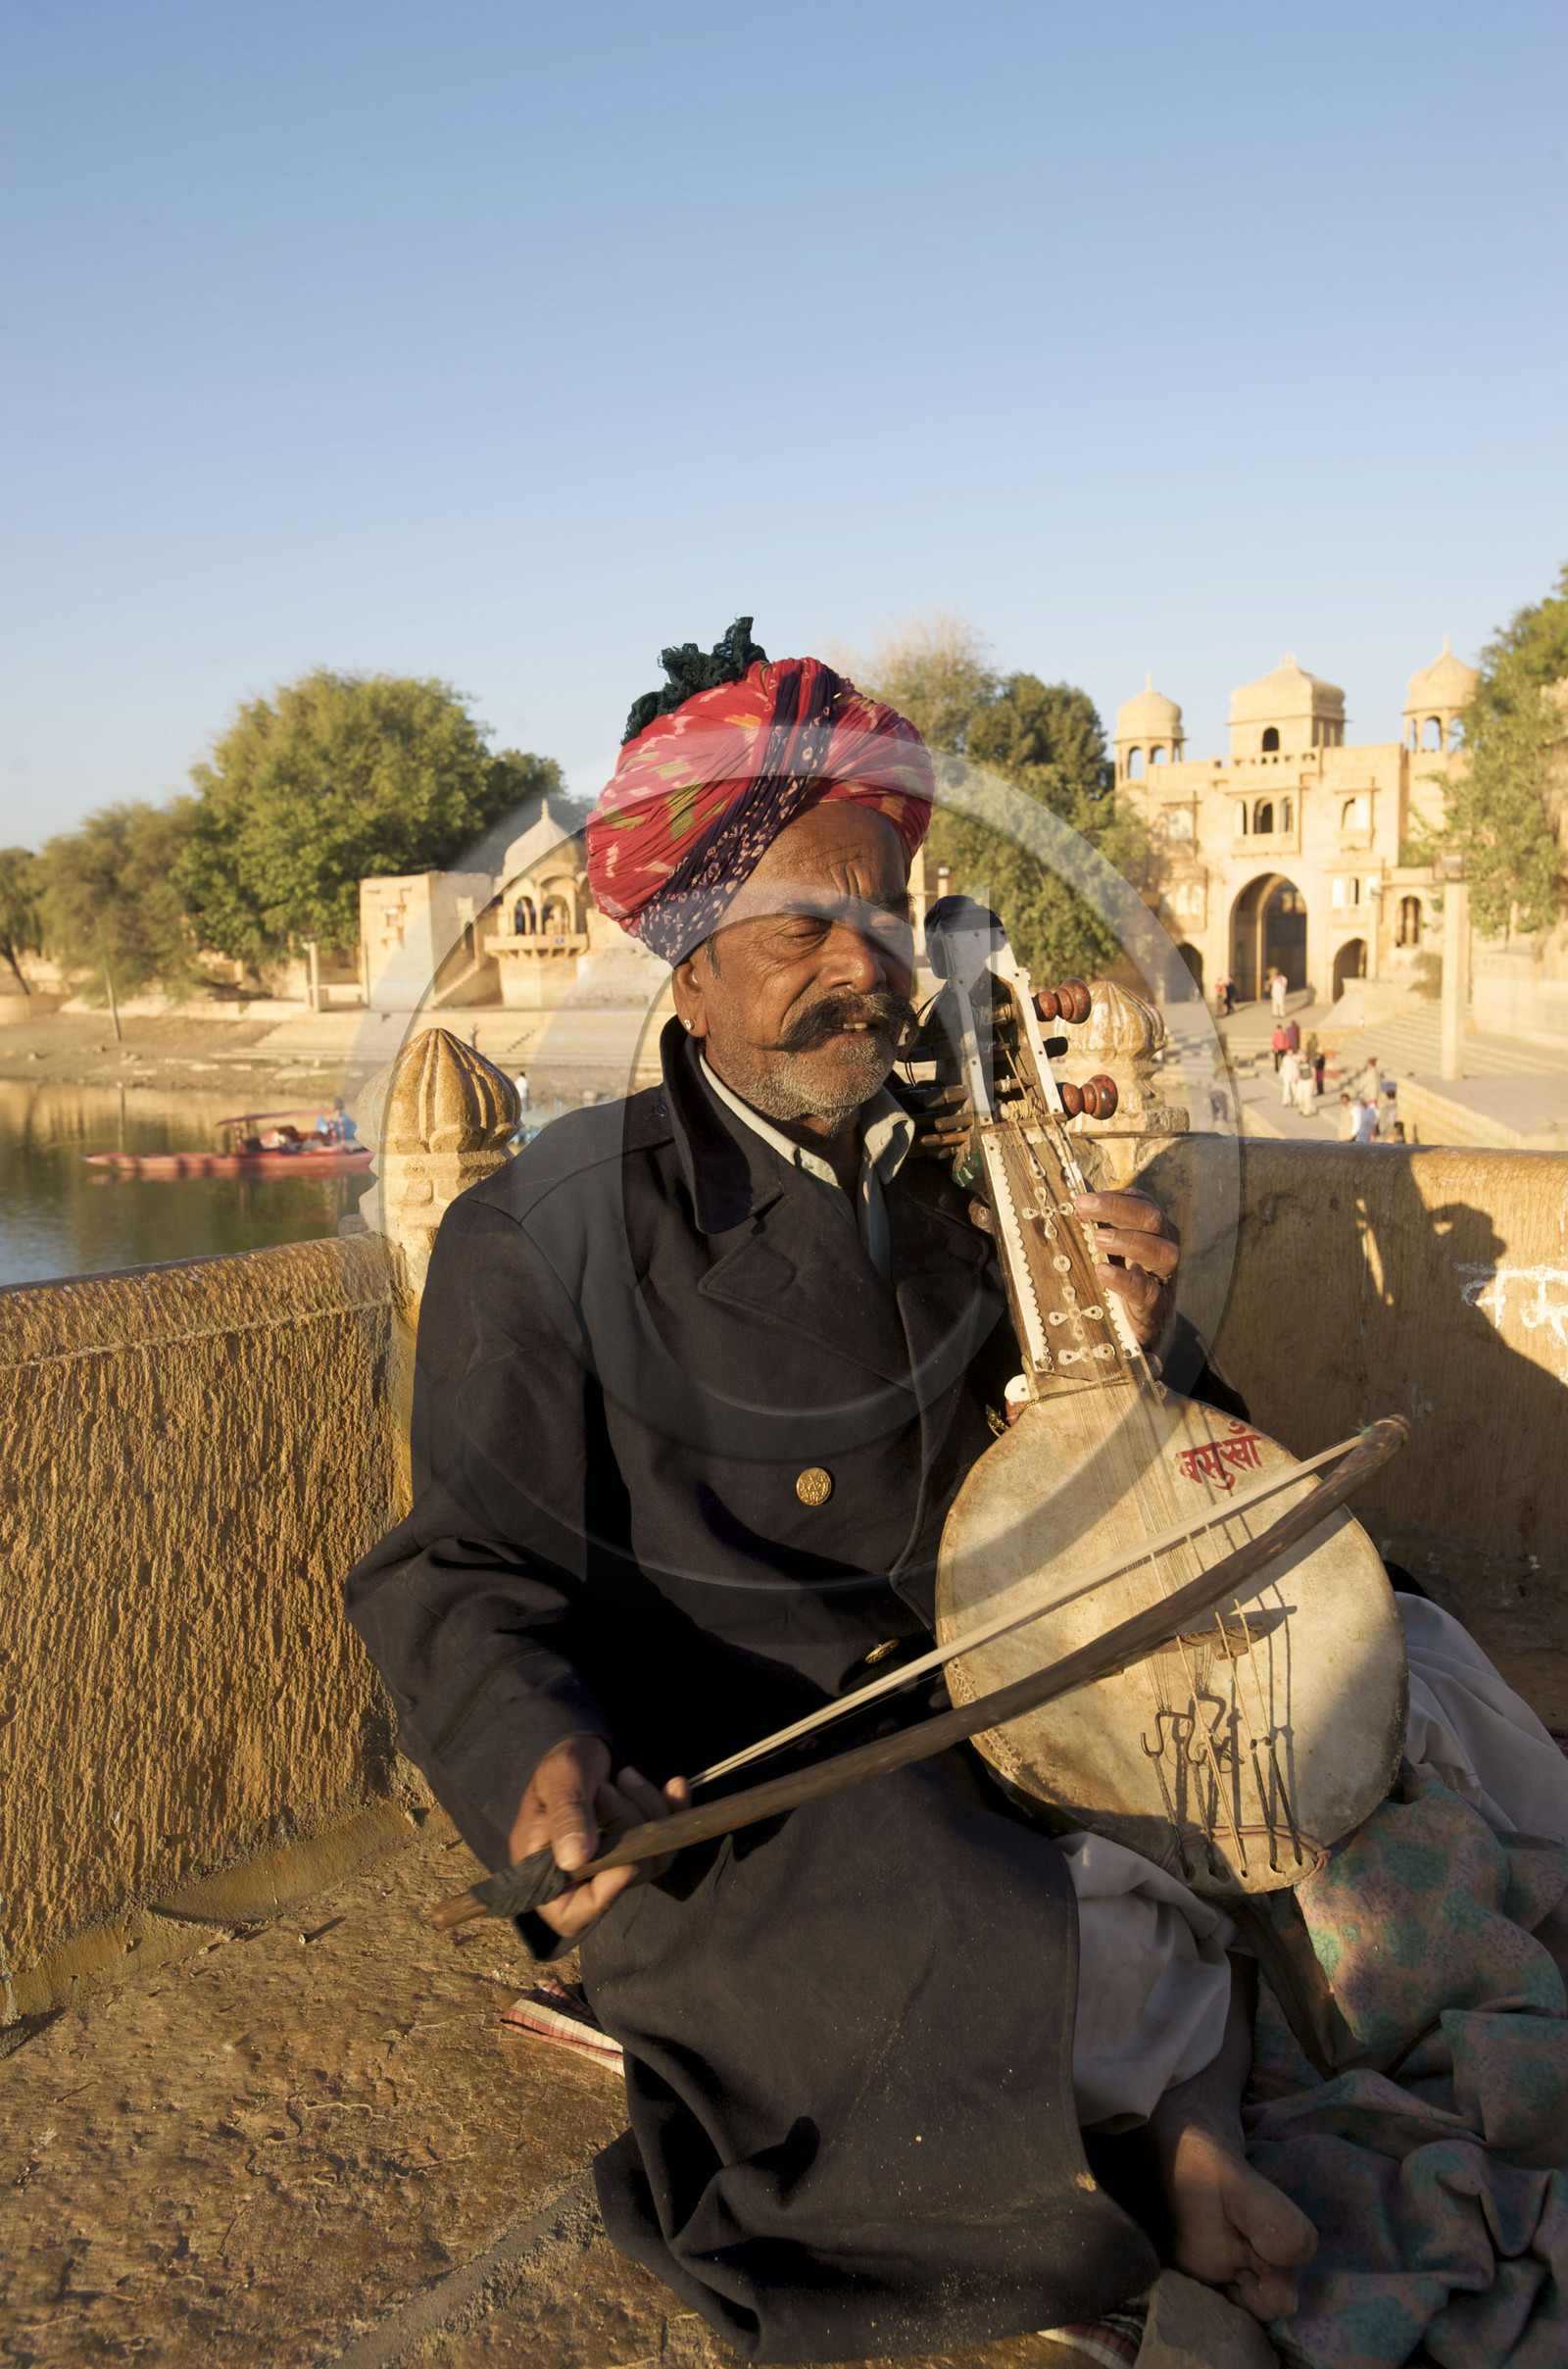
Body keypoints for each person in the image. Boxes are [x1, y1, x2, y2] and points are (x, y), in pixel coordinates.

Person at [345, 626, 1568, 2361]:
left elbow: (1159, 1486)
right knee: (956, 1908)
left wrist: (1137, 1342)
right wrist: (528, 1746)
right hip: (787, 1760)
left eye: (883, 920)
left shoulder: (974, 1179)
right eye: (799, 929)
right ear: (684, 970)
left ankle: (1185, 2087)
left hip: (1041, 1692)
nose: (862, 966)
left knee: (1406, 1672)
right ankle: (1171, 2133)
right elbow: (459, 1569)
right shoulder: (545, 1234)